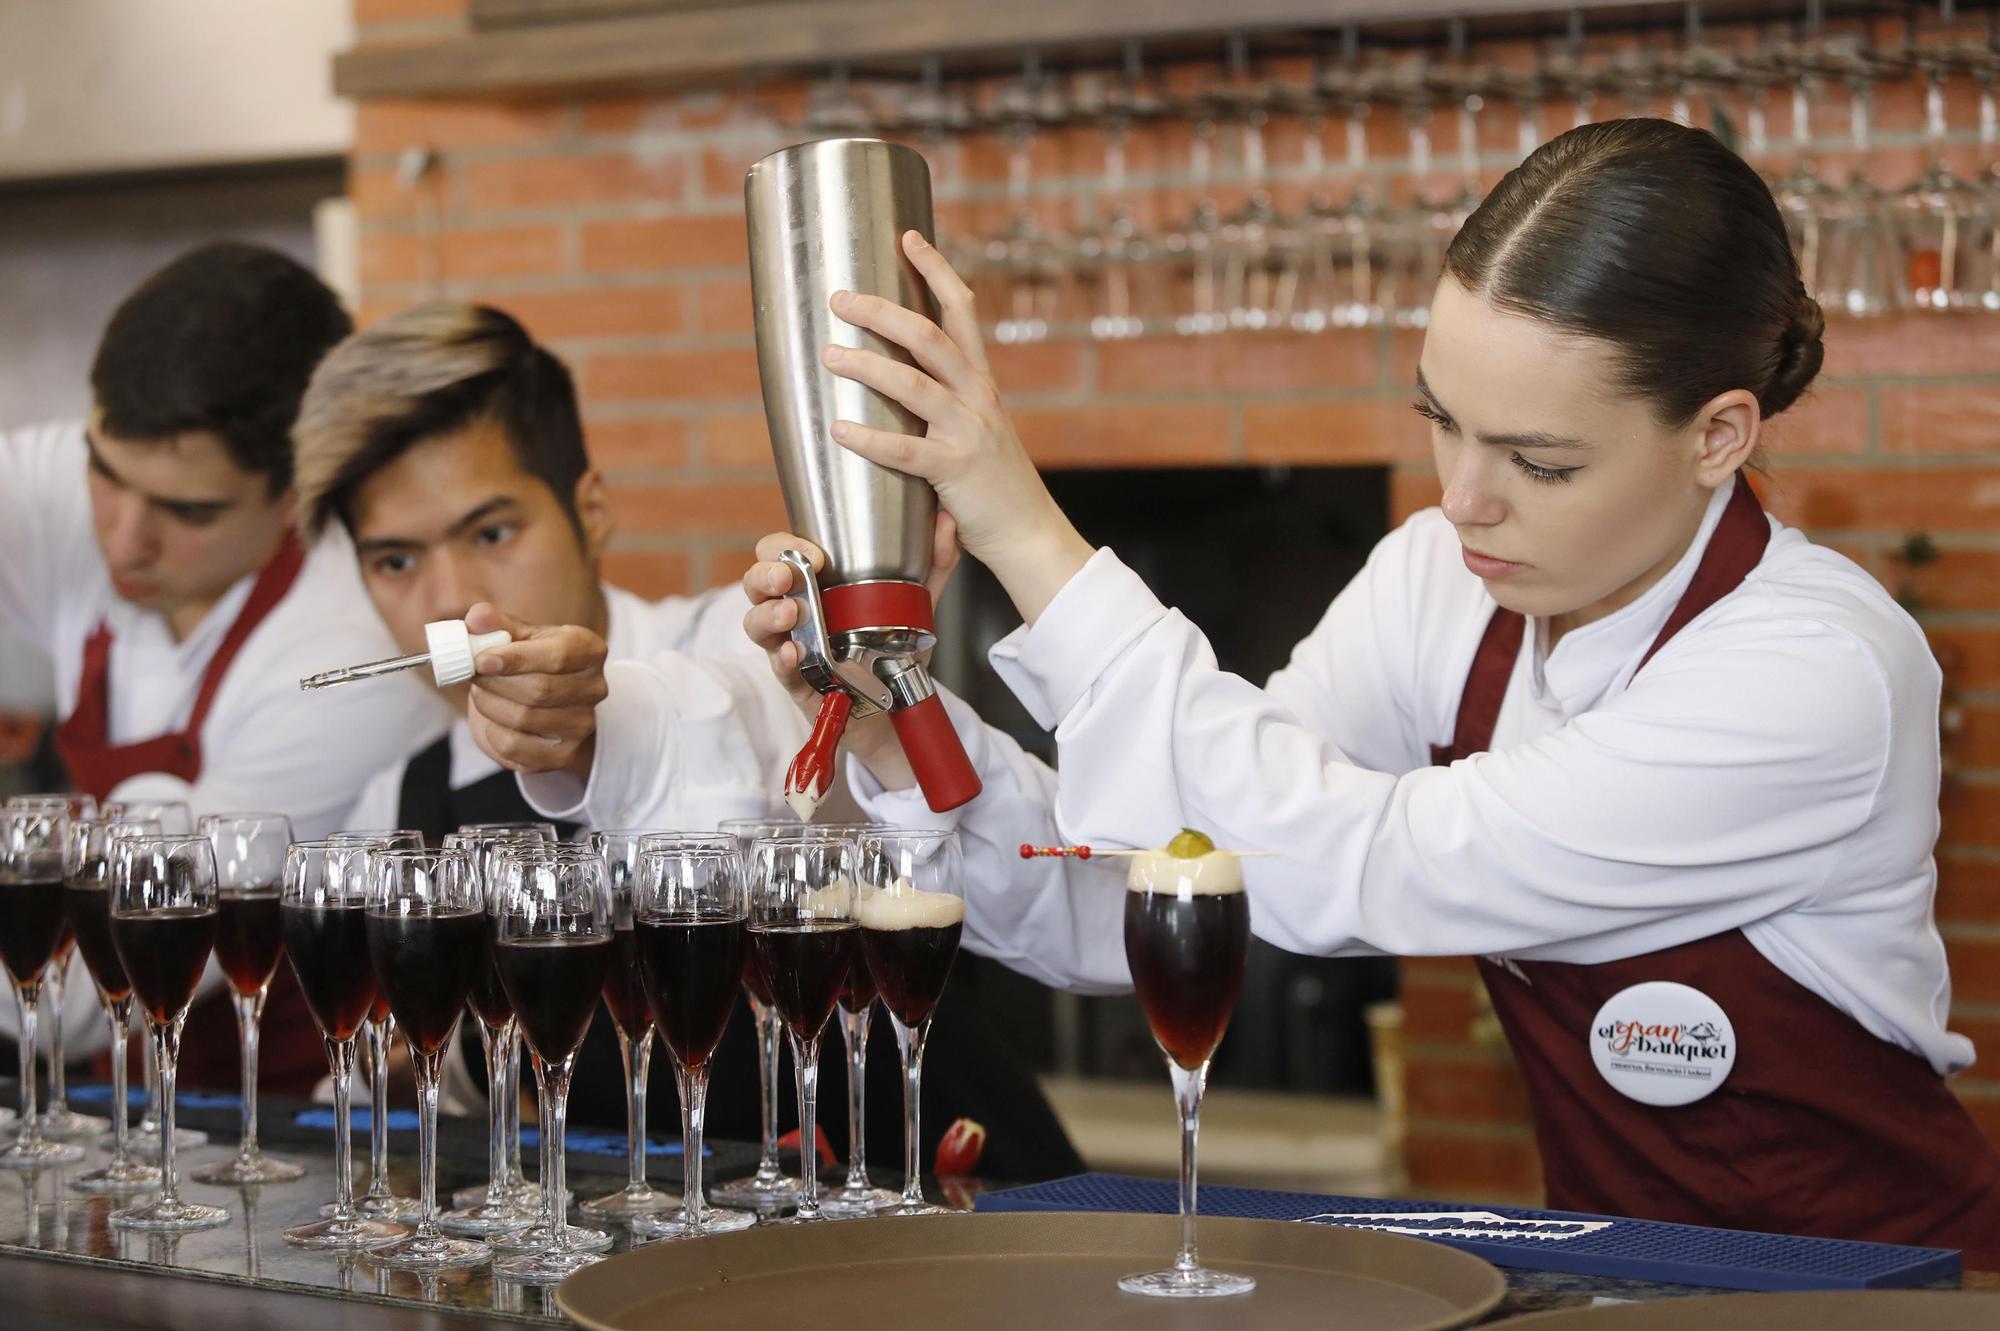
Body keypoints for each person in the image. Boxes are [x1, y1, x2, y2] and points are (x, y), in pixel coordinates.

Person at [735, 119, 2000, 1250]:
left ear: (1717, 435)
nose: (1462, 497)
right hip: (1617, 1276)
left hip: (1873, 1287)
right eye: (1439, 419)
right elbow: (1194, 876)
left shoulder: (1814, 671)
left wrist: (1025, 531)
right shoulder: (1437, 583)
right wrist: (901, 723)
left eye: (1539, 461)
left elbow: (1363, 860)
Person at [295, 301, 1082, 1178]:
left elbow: (762, 758)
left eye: (491, 531)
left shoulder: (738, 642)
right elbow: (383, 1096)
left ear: (590, 510)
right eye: (395, 560)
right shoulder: (401, 808)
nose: (452, 592)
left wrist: (596, 733)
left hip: (946, 1194)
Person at [0, 242, 439, 1091]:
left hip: (309, 1139)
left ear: (299, 490)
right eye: (105, 474)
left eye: (187, 511)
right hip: (130, 1115)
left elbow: (110, 970)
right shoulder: (107, 476)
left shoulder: (351, 651)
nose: (126, 538)